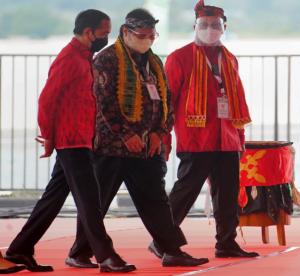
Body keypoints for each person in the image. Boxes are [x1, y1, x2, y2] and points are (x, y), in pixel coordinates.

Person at [66, 8, 209, 268]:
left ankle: (171, 250)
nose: (148, 40)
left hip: (146, 148)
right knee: (97, 201)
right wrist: (125, 134)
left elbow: (165, 100)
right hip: (112, 148)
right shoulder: (106, 60)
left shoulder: (153, 62)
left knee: (156, 199)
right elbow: (102, 104)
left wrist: (159, 132)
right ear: (126, 32)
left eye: (152, 35)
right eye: (142, 35)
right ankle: (79, 252)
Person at [4, 10, 136, 273]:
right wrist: (49, 135)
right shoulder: (69, 58)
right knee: (89, 200)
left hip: (80, 139)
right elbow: (47, 100)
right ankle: (106, 256)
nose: (106, 38)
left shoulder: (85, 58)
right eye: (104, 33)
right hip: (71, 141)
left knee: (53, 199)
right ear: (89, 33)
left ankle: (20, 249)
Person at [148, 0, 259, 259]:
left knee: (228, 193)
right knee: (185, 192)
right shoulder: (180, 57)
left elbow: (236, 102)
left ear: (224, 27)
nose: (210, 29)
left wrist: (240, 138)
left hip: (227, 138)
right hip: (196, 137)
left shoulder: (229, 58)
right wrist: (165, 136)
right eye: (205, 25)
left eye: (215, 25)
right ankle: (162, 239)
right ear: (195, 26)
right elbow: (167, 102)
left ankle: (226, 243)